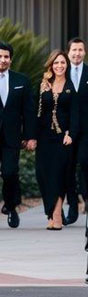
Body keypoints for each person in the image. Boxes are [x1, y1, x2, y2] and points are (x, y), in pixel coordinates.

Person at [35, 51, 78, 231]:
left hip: (63, 138)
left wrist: (71, 134)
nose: (59, 66)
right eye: (56, 63)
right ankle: (50, 213)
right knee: (43, 174)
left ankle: (57, 215)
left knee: (58, 175)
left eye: (62, 62)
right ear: (51, 65)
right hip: (44, 137)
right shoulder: (43, 85)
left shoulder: (71, 86)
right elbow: (37, 112)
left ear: (67, 65)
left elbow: (75, 113)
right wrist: (31, 137)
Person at [64, 37, 88, 222]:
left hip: (87, 130)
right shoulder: (61, 71)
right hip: (66, 131)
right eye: (74, 50)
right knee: (69, 167)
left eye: (80, 50)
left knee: (84, 160)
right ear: (68, 52)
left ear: (85, 52)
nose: (77, 53)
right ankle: (73, 205)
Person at [0, 41, 36, 229]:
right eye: (0, 56)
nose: (3, 60)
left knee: (9, 172)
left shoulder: (21, 81)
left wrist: (30, 136)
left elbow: (28, 111)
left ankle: (11, 206)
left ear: (11, 59)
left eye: (6, 57)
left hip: (12, 137)